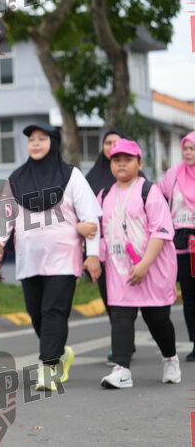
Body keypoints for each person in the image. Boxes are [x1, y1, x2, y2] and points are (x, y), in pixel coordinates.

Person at [0, 123, 101, 391]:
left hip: (64, 258)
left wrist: (93, 255)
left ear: (53, 143)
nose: (36, 143)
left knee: (53, 310)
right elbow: (5, 216)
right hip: (29, 259)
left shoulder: (71, 176)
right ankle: (59, 353)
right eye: (32, 140)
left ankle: (49, 368)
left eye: (42, 138)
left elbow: (90, 219)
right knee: (36, 312)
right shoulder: (16, 178)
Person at [96, 138, 180, 388]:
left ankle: (170, 358)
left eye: (128, 159)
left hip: (153, 268)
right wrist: (94, 259)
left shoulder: (149, 192)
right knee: (120, 316)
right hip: (120, 271)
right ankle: (122, 370)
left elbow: (161, 231)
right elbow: (99, 232)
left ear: (139, 163)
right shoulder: (104, 195)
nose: (121, 164)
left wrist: (144, 265)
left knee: (157, 319)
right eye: (116, 160)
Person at [83, 128, 129, 363]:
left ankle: (125, 340)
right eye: (108, 143)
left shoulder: (136, 178)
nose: (111, 147)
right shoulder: (90, 179)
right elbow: (83, 214)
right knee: (109, 297)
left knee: (129, 300)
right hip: (102, 251)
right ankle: (122, 343)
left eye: (116, 142)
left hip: (131, 251)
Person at [157, 131, 195, 361]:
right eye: (186, 148)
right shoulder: (174, 174)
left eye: (192, 148)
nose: (188, 153)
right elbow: (156, 196)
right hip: (182, 244)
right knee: (189, 296)